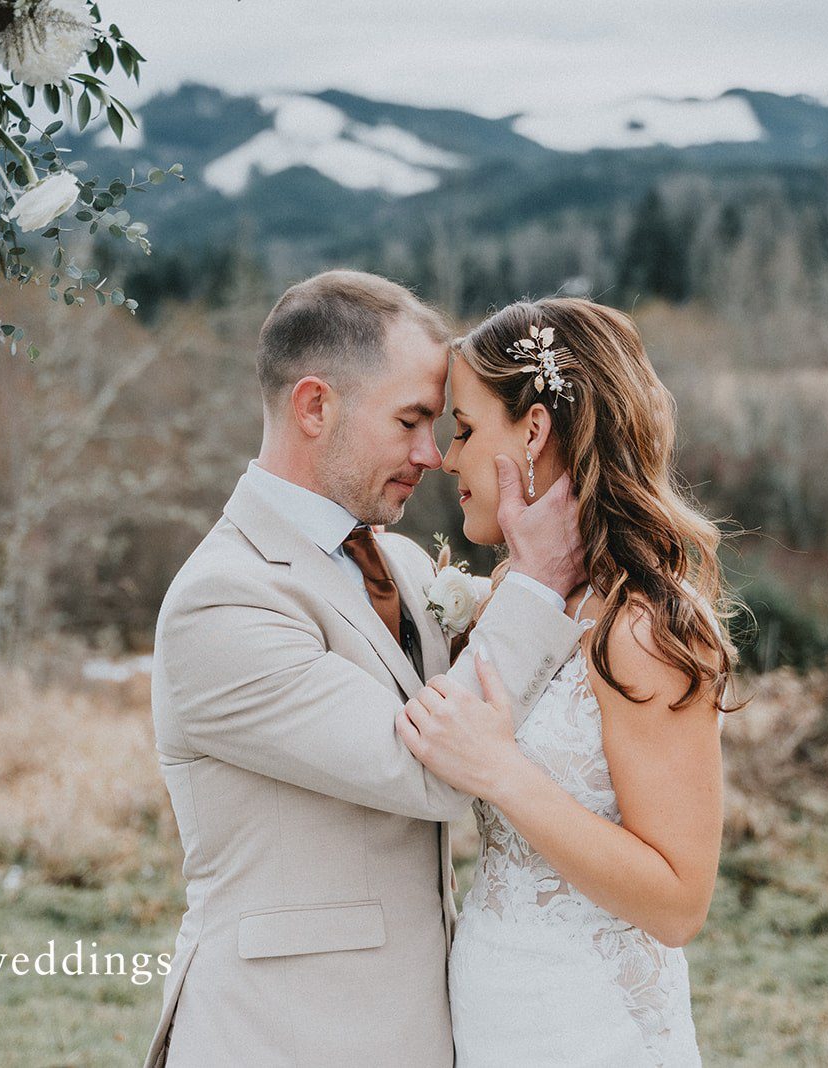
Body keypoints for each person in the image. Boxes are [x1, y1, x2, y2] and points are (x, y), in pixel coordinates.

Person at [142, 270, 589, 1068]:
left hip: (420, 1026)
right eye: (411, 420)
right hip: (277, 1038)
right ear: (315, 407)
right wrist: (539, 582)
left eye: (439, 425)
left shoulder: (407, 566)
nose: (432, 455)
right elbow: (435, 769)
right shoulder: (223, 602)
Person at [398, 297, 740, 1067]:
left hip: (592, 1026)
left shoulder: (644, 627)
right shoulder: (521, 600)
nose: (447, 458)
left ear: (534, 431)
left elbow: (679, 902)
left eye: (464, 429)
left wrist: (505, 775)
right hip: (492, 1006)